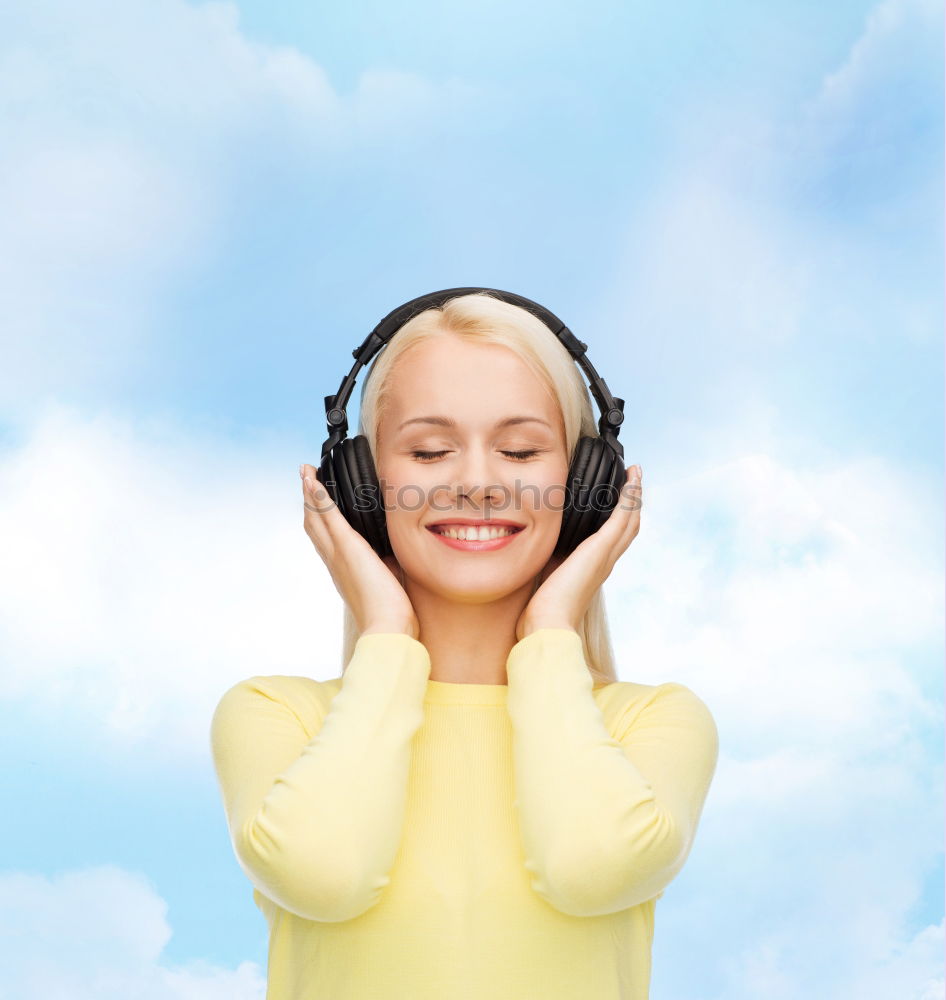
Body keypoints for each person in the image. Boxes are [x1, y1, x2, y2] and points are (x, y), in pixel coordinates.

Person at [209, 291, 719, 1000]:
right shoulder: (276, 716)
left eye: (519, 450)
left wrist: (550, 635)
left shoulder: (651, 724)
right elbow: (326, 874)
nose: (477, 483)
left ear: (584, 489)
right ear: (359, 486)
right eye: (428, 451)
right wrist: (387, 636)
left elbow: (589, 865)